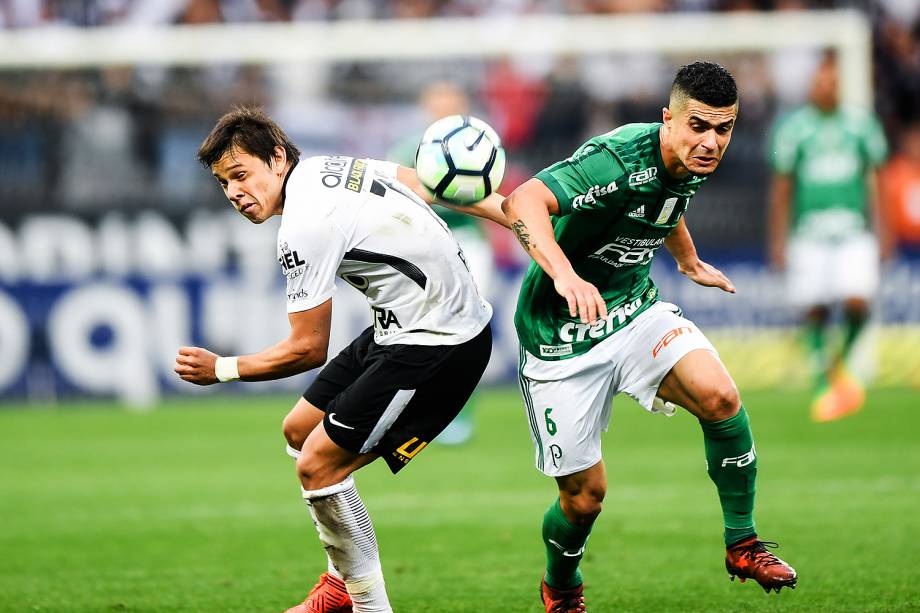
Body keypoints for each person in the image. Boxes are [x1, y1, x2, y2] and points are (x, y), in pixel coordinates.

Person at [173, 106, 508, 613]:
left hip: (441, 345)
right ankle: (340, 581)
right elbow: (432, 184)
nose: (235, 193)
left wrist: (222, 369)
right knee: (299, 430)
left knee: (318, 465)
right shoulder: (330, 168)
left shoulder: (304, 225)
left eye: (241, 175)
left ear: (278, 158)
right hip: (401, 325)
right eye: (224, 183)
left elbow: (308, 348)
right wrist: (516, 214)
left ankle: (367, 604)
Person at [500, 62, 797, 613]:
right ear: (668, 120)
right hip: (559, 335)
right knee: (584, 499)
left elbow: (665, 199)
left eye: (724, 129)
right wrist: (566, 276)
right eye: (699, 127)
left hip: (634, 311)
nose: (711, 142)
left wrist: (687, 259)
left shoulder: (690, 159)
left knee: (720, 397)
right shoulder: (617, 158)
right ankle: (561, 587)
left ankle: (743, 543)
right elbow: (523, 203)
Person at [768, 51, 890, 422]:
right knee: (815, 308)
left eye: (832, 81)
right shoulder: (794, 129)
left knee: (858, 301)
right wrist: (778, 238)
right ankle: (826, 384)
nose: (826, 87)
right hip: (809, 232)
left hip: (852, 230)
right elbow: (782, 187)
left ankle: (838, 367)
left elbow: (877, 181)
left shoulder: (861, 125)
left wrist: (885, 230)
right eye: (820, 81)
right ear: (811, 86)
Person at [387, 80, 497, 445]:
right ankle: (407, 410)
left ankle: (459, 415)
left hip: (468, 244)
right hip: (423, 247)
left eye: (452, 100)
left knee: (469, 331)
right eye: (438, 100)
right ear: (426, 105)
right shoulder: (407, 149)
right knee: (417, 331)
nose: (444, 106)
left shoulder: (481, 145)